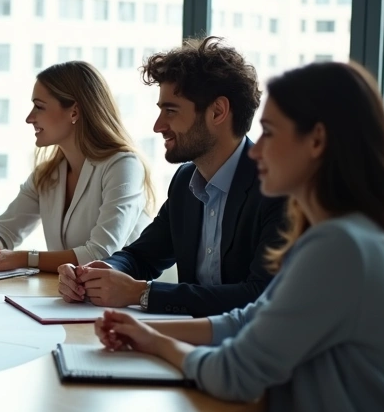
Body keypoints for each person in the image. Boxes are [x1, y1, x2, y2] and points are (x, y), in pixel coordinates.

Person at [77, 61, 384, 412]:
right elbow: (250, 320)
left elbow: (234, 374)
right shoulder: (355, 234)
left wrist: (159, 344)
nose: (255, 150)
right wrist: (148, 333)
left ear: (317, 141)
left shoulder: (338, 248)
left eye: (269, 134)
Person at [58, 37, 286, 317]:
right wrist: (99, 273)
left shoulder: (278, 189)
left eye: (171, 110)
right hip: (190, 342)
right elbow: (141, 256)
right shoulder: (185, 181)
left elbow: (260, 296)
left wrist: (142, 293)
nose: (158, 126)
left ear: (218, 112)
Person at [0, 61, 152, 273]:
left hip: (119, 302)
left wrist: (22, 259)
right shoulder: (47, 174)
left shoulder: (123, 166)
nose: (29, 118)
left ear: (74, 112)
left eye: (39, 107)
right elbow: (3, 229)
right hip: (70, 298)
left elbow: (100, 254)